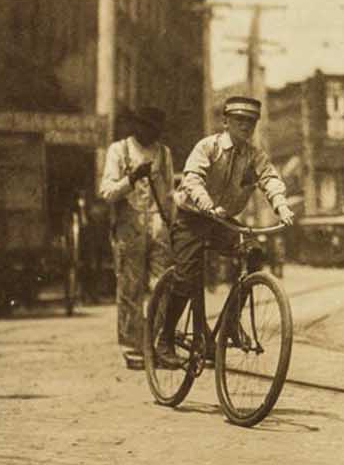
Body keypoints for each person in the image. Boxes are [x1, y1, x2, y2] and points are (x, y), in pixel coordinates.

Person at [154, 96, 295, 367]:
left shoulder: (254, 155)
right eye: (239, 120)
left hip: (224, 220)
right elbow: (192, 179)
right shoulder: (208, 147)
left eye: (251, 122)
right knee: (185, 276)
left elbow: (270, 180)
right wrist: (207, 205)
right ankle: (165, 338)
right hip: (192, 217)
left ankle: (231, 322)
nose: (245, 126)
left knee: (254, 251)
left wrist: (282, 207)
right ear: (225, 121)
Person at [98, 106, 174, 370]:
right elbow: (107, 192)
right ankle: (133, 348)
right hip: (129, 227)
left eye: (156, 129)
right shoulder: (119, 151)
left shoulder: (164, 153)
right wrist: (131, 179)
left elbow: (169, 195)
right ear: (136, 126)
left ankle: (159, 345)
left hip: (158, 226)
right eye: (147, 127)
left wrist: (172, 225)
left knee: (162, 287)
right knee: (130, 289)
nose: (152, 133)